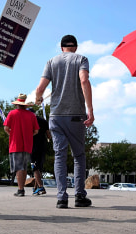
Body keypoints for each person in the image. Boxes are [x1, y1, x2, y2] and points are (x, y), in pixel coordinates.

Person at [35, 34, 94, 209]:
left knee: (59, 156)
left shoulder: (51, 62)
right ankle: (79, 196)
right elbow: (84, 80)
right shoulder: (81, 59)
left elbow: (40, 88)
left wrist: (38, 99)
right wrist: (90, 109)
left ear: (61, 48)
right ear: (75, 47)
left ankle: (61, 198)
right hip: (76, 115)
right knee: (78, 155)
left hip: (56, 116)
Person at [4, 93, 40, 197]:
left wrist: (13, 134)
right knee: (24, 167)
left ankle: (20, 190)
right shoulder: (31, 115)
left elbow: (6, 128)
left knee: (19, 167)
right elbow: (36, 131)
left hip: (16, 144)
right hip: (28, 144)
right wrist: (29, 135)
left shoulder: (12, 113)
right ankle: (22, 188)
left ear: (17, 104)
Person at [30, 107, 51, 195]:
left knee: (34, 167)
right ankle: (36, 188)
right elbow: (49, 135)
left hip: (33, 146)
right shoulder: (43, 120)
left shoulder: (29, 121)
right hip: (43, 145)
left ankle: (41, 187)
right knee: (39, 167)